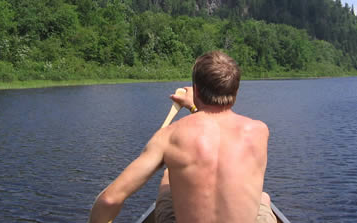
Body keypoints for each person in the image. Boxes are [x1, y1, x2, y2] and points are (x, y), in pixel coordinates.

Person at [88, 51, 275, 223]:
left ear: (197, 90)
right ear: (236, 92)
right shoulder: (259, 131)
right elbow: (216, 131)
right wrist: (195, 107)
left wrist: (195, 106)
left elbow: (109, 199)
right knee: (263, 198)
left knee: (169, 177)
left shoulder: (169, 136)